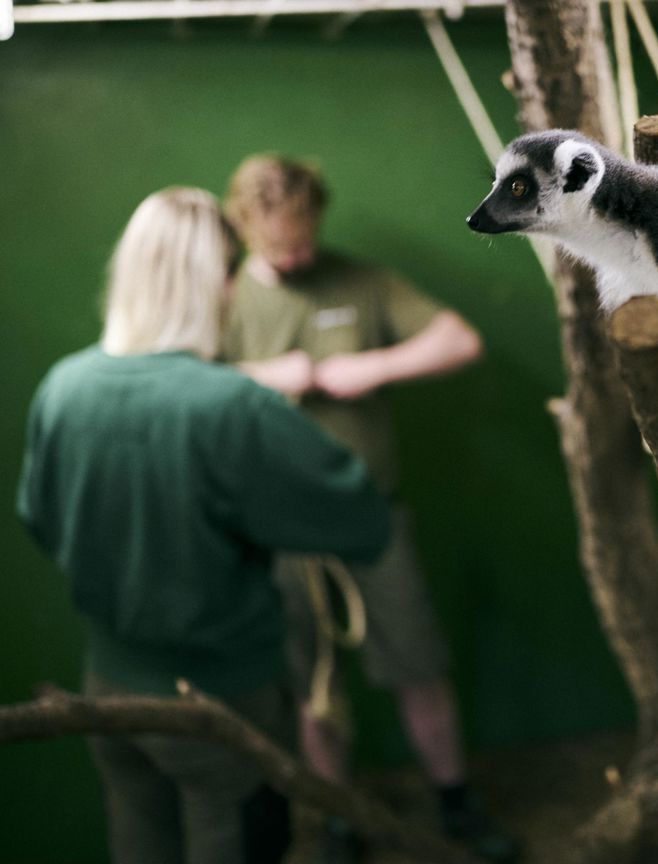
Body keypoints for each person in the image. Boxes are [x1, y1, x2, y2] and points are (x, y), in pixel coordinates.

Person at [15, 187, 393, 864]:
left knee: (140, 845)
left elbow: (39, 520)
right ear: (215, 280)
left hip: (109, 692)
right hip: (221, 705)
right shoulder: (229, 406)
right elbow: (361, 518)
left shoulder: (62, 387)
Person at [221, 154, 517, 862]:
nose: (296, 256)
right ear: (244, 228)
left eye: (304, 239)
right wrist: (264, 378)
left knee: (419, 664)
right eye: (279, 246)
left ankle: (455, 803)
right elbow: (175, 379)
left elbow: (460, 340)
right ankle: (339, 820)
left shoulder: (359, 279)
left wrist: (374, 366)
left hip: (370, 515)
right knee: (313, 686)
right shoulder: (222, 299)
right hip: (276, 528)